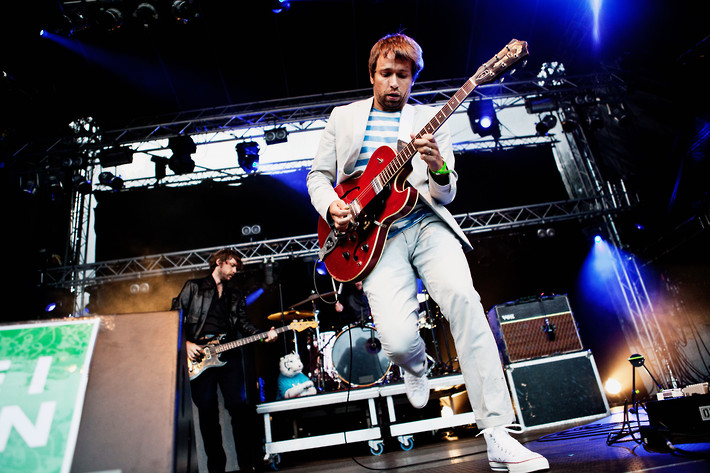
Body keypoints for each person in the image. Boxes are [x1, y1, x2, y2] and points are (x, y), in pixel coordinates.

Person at [307, 34, 549, 472]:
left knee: (465, 303)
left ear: (414, 78)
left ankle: (497, 432)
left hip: (425, 224)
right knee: (397, 342)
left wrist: (437, 166)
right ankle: (414, 365)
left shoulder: (429, 118)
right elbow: (317, 176)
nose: (395, 83)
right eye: (387, 74)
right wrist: (332, 206)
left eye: (404, 75)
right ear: (372, 75)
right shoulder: (343, 118)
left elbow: (447, 190)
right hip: (373, 241)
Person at [173, 248, 278, 473]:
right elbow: (174, 318)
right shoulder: (194, 287)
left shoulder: (235, 295)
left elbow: (243, 325)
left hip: (227, 355)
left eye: (236, 267)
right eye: (231, 265)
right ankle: (216, 469)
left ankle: (246, 464)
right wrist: (186, 345)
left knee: (238, 408)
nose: (234, 270)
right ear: (219, 262)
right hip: (199, 357)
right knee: (208, 413)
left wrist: (263, 335)